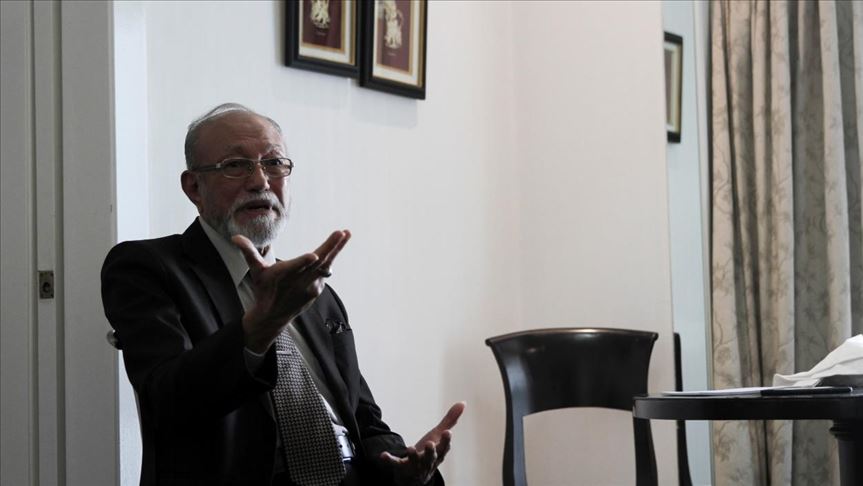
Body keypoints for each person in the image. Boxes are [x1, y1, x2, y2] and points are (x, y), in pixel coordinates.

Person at [101, 103, 464, 486]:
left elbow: (363, 421)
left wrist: (400, 466)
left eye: (274, 164)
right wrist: (261, 326)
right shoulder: (149, 268)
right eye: (235, 165)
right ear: (194, 187)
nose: (260, 181)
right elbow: (167, 401)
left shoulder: (312, 292)